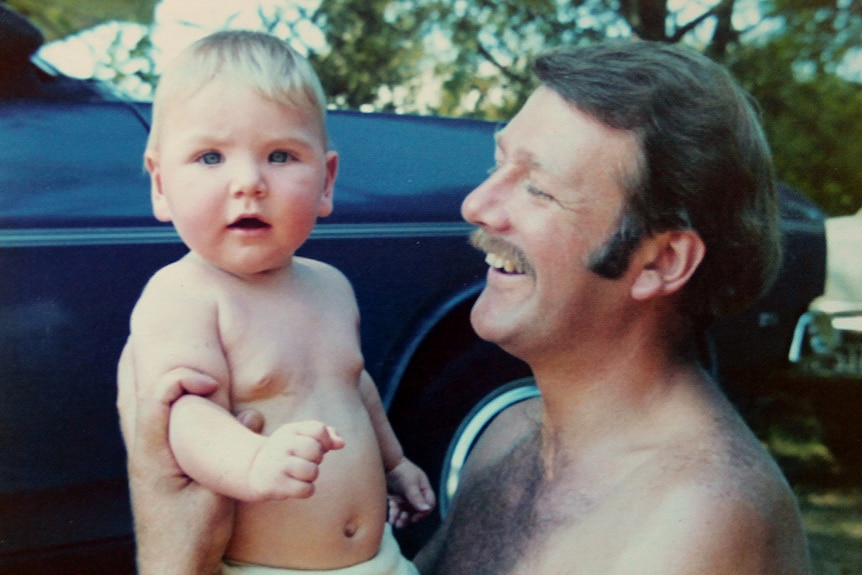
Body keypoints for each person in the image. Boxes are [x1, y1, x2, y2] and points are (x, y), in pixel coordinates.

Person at [119, 39, 811, 574]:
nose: (476, 206)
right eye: (497, 164)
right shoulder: (505, 438)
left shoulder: (699, 522)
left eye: (536, 188)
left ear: (661, 261)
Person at [117, 30, 434, 575]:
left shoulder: (331, 285)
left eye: (281, 155)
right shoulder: (183, 295)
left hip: (381, 559)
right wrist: (252, 461)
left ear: (327, 181)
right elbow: (180, 418)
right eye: (210, 156)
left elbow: (351, 386)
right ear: (161, 185)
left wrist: (394, 460)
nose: (249, 182)